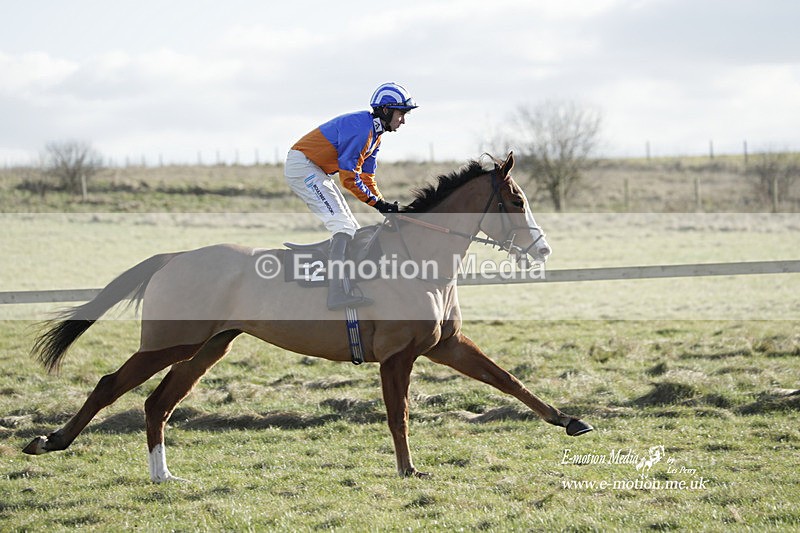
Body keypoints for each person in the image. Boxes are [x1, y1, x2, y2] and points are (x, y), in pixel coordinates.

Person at [284, 82, 418, 310]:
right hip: (304, 166)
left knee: (351, 228)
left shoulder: (376, 134)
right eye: (401, 113)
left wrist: (382, 203)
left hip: (314, 168)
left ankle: (342, 283)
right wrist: (379, 204)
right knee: (342, 225)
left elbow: (366, 177)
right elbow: (348, 178)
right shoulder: (362, 129)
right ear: (386, 110)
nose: (403, 120)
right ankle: (336, 293)